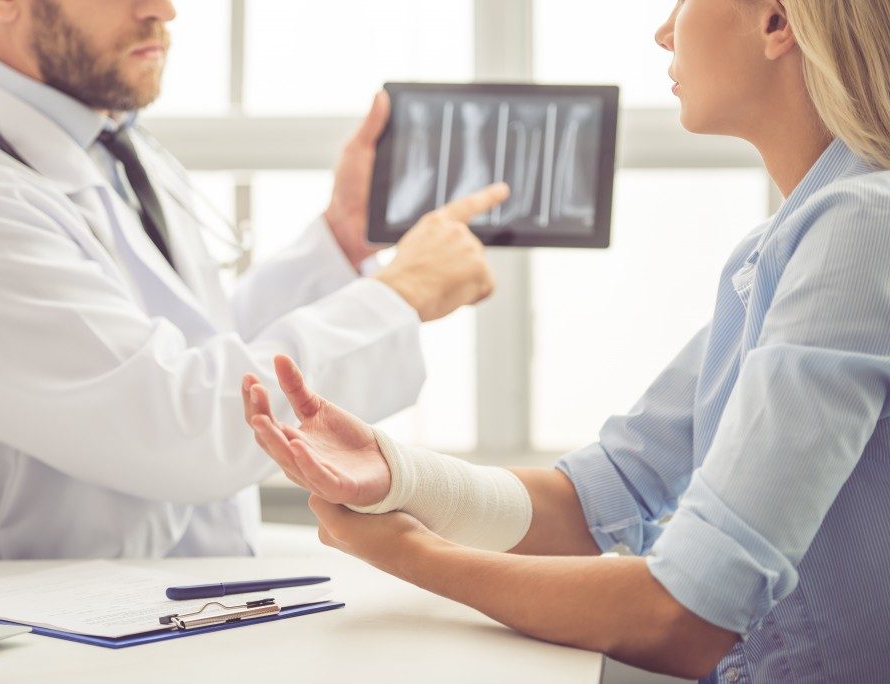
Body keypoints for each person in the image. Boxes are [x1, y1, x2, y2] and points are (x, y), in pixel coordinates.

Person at [242, 0, 890, 680]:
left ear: (776, 22)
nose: (664, 30)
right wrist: (396, 474)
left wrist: (409, 554)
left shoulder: (862, 231)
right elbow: (601, 495)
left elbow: (686, 616)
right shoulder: (778, 252)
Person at [0, 0, 509, 560]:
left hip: (163, 602)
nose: (164, 9)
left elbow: (192, 351)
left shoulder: (109, 144)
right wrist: (398, 296)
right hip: (41, 637)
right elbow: (177, 424)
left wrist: (342, 240)